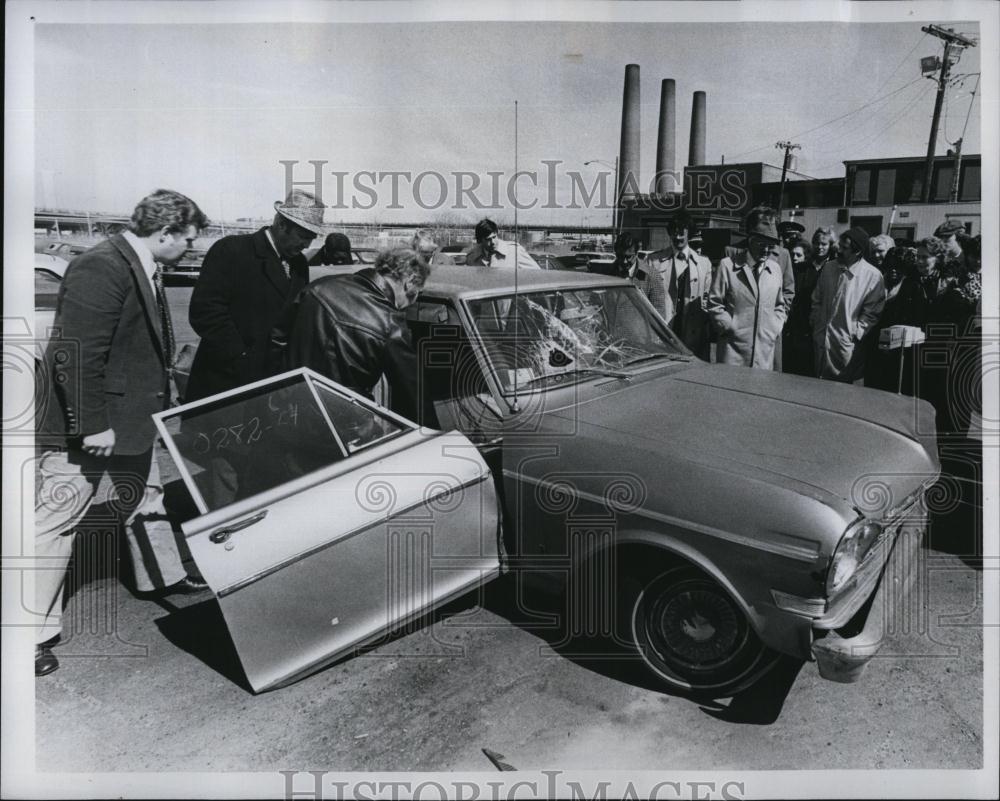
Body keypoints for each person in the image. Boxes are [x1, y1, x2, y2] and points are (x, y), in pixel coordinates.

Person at [34, 189, 210, 677]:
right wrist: (93, 425)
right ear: (165, 233)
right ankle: (27, 634)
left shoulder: (141, 265)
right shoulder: (102, 266)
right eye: (188, 241)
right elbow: (75, 354)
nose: (191, 250)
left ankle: (162, 577)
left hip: (130, 418)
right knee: (56, 520)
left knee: (146, 498)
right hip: (90, 425)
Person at [186, 189, 321, 401]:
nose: (307, 245)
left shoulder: (299, 264)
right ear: (282, 224)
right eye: (303, 236)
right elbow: (205, 312)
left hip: (271, 383)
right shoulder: (232, 250)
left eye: (311, 238)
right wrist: (241, 356)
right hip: (225, 381)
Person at [286, 248, 437, 427]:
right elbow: (413, 394)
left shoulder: (317, 287)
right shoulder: (389, 321)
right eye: (417, 293)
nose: (412, 301)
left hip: (292, 410)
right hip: (345, 421)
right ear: (410, 282)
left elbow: (278, 339)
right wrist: (431, 435)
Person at [707, 212, 787, 369]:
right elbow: (714, 302)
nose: (766, 250)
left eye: (771, 246)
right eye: (762, 244)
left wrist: (775, 327)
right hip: (733, 352)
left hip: (764, 354)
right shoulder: (727, 266)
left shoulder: (775, 269)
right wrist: (728, 326)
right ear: (750, 239)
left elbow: (780, 305)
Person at [811, 226, 885, 383]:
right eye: (840, 245)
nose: (838, 250)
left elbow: (871, 314)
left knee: (842, 394)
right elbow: (817, 298)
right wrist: (816, 322)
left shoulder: (872, 276)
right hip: (821, 341)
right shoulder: (829, 267)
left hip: (846, 347)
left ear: (857, 251)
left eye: (844, 248)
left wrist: (855, 334)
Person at [641, 210, 712, 360]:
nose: (677, 237)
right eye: (673, 233)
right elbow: (642, 297)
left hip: (693, 334)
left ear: (689, 233)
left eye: (681, 233)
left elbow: (707, 300)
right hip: (663, 331)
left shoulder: (704, 264)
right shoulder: (653, 261)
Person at [864, 247, 925, 394]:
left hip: (899, 351)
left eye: (898, 267)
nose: (893, 270)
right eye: (890, 266)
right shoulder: (876, 283)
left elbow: (917, 321)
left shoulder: (913, 288)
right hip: (874, 347)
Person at [782, 240, 818, 377]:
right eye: (792, 254)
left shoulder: (812, 273)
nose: (794, 258)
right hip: (788, 325)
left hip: (804, 326)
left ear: (806, 256)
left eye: (798, 255)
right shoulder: (787, 270)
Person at [464, 218, 540, 269]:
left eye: (494, 237)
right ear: (480, 240)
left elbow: (537, 273)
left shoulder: (514, 251)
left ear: (497, 233)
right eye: (488, 240)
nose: (493, 242)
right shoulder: (472, 257)